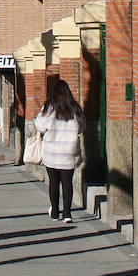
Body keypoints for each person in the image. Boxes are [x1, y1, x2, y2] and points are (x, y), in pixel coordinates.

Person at [34, 81, 86, 223]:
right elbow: (81, 128)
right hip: (69, 150)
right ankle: (67, 214)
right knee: (67, 182)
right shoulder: (75, 108)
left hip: (52, 151)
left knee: (54, 182)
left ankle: (55, 211)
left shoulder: (49, 107)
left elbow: (39, 125)